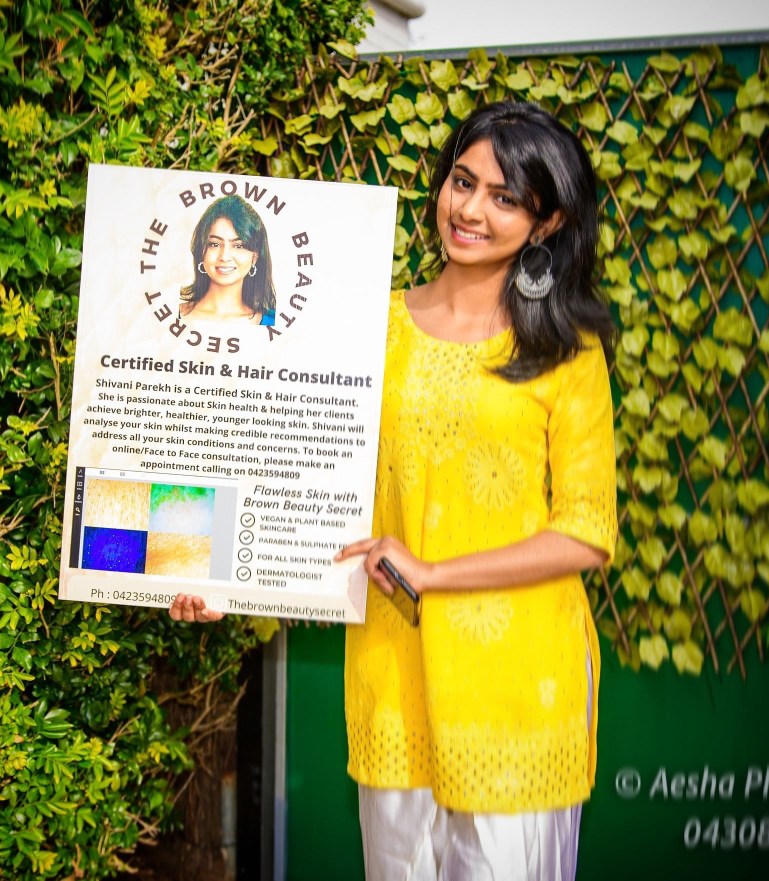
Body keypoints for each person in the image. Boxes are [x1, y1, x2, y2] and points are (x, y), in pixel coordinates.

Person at [171, 101, 617, 881]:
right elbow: (290, 469)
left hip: (518, 687)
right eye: (462, 182)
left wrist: (432, 573)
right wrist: (217, 573)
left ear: (546, 223)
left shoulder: (565, 348)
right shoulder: (366, 330)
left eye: (505, 197)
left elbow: (584, 532)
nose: (470, 210)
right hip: (393, 673)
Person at [179, 194, 277, 324]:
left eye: (239, 245)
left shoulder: (274, 322)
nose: (224, 257)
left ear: (255, 256)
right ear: (201, 250)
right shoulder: (170, 314)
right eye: (215, 244)